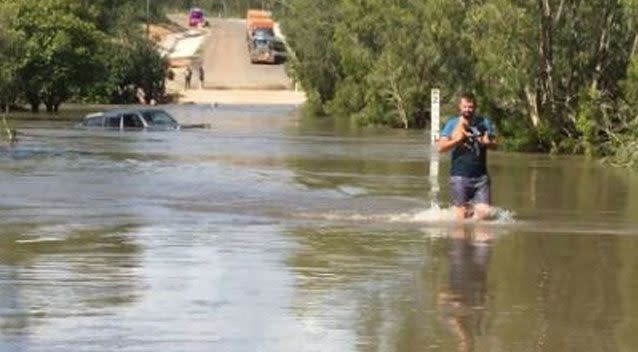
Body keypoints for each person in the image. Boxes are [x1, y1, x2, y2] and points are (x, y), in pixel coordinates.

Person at [436, 93, 497, 220]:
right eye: (465, 107)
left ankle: (476, 234)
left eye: (470, 107)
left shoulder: (485, 123)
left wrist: (488, 143)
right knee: (461, 216)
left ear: (475, 107)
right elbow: (441, 148)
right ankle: (463, 237)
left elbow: (496, 144)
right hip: (459, 176)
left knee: (485, 214)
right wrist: (457, 141)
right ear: (460, 107)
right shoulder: (452, 124)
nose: (468, 110)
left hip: (481, 178)